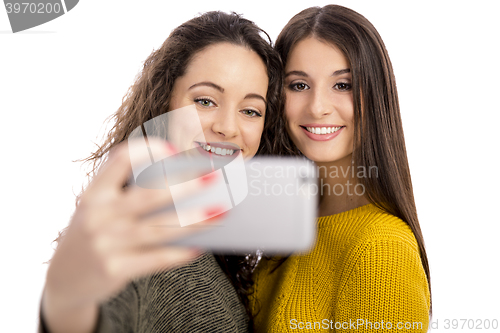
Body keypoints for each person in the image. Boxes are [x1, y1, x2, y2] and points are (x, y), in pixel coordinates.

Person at [39, 11, 284, 333]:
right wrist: (65, 302)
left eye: (250, 111)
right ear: (164, 101)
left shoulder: (212, 238)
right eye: (206, 101)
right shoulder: (137, 237)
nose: (227, 127)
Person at [250, 5, 431, 332]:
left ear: (376, 96)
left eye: (343, 85)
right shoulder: (292, 227)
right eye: (299, 85)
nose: (318, 107)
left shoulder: (381, 251)